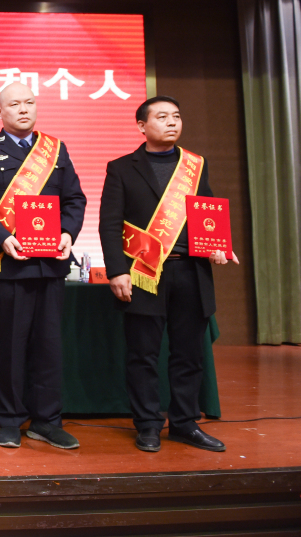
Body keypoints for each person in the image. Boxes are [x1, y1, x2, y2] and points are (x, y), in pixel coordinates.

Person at [99, 96, 237, 453]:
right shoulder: (121, 168)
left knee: (189, 354)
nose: (172, 122)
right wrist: (117, 271)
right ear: (142, 126)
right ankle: (147, 424)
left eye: (176, 116)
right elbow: (109, 224)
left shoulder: (195, 165)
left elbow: (206, 212)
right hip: (144, 272)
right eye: (162, 117)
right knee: (143, 354)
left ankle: (184, 423)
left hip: (191, 271)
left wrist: (219, 245)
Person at [0, 82, 86, 449]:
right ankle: (10, 418)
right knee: (10, 346)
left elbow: (74, 199)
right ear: (0, 112)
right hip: (8, 264)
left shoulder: (56, 149)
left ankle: (47, 421)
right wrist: (0, 237)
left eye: (29, 102)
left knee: (49, 347)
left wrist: (68, 233)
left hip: (50, 264)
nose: (24, 109)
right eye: (14, 104)